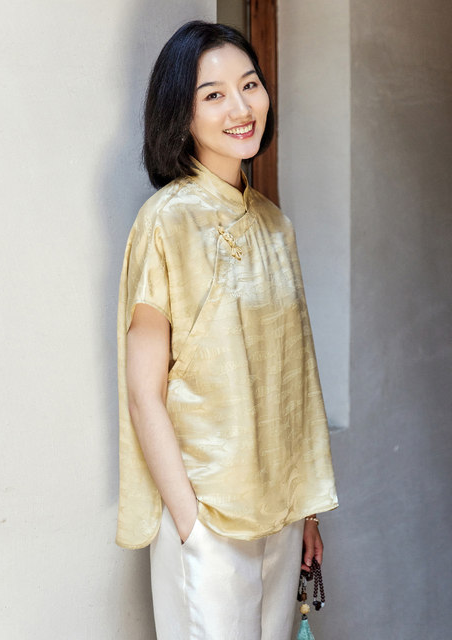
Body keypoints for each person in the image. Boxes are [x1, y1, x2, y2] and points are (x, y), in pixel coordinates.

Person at [116, 20, 338, 640]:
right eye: (213, 94)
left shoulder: (275, 225)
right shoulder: (166, 222)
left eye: (249, 85)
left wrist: (307, 511)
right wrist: (190, 523)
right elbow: (144, 393)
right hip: (209, 517)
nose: (241, 108)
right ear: (180, 115)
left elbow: (294, 383)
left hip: (281, 513)